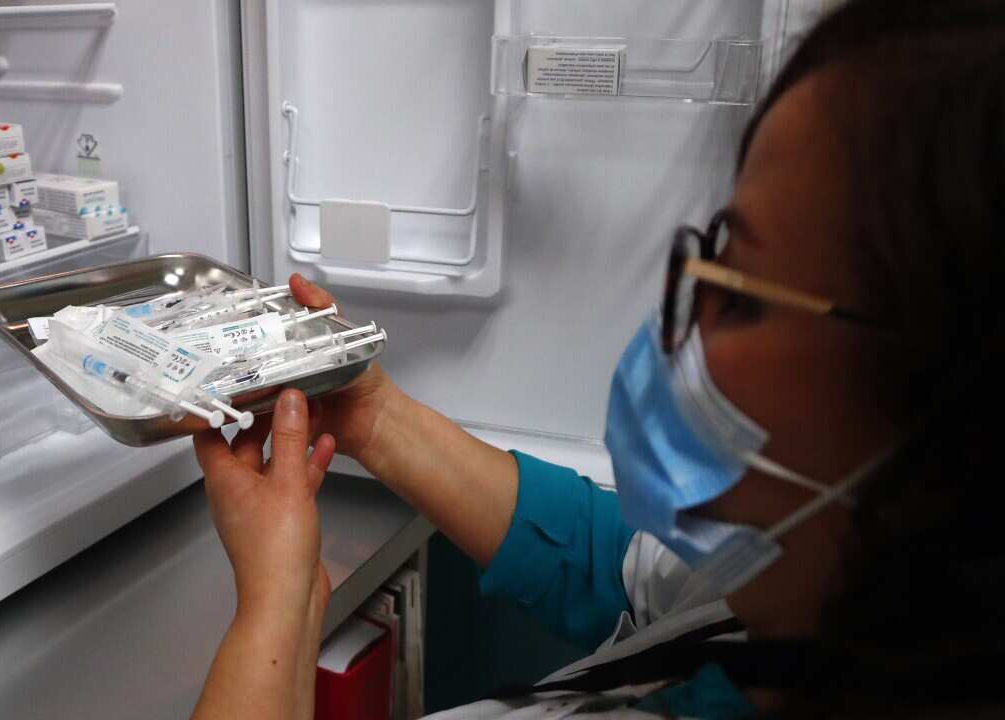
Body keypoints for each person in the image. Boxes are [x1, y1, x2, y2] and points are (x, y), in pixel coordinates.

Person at [190, 0, 1005, 717]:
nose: (683, 331)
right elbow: (608, 563)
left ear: (948, 425)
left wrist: (273, 607)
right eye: (709, 260)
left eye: (746, 291)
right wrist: (376, 416)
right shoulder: (795, 599)